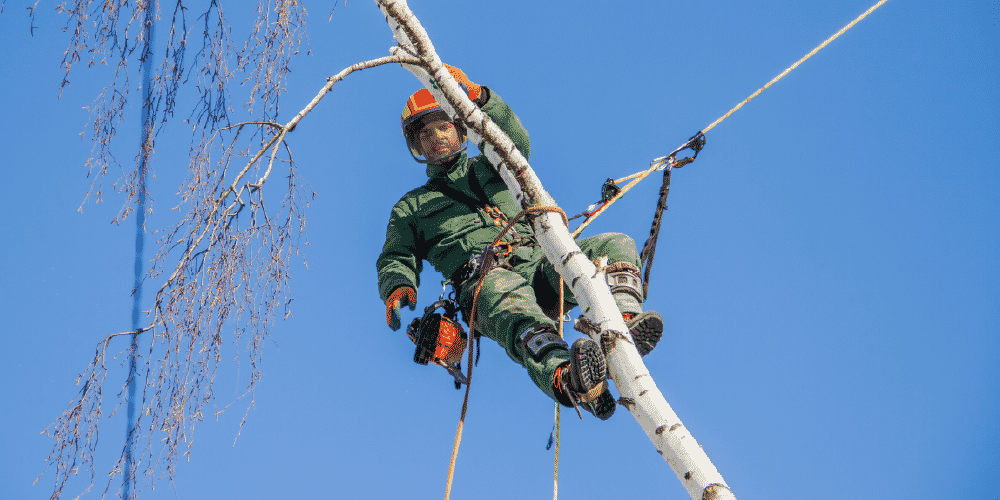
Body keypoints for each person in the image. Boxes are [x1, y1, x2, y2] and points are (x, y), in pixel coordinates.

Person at [377, 65, 663, 419]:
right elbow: (396, 254)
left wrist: (480, 97)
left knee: (615, 244)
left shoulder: (492, 166)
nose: (437, 137)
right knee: (513, 307)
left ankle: (623, 321)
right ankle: (571, 378)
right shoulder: (412, 206)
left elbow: (515, 142)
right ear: (416, 144)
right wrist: (397, 285)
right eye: (427, 134)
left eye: (444, 126)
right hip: (485, 282)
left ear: (460, 128)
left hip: (541, 263)